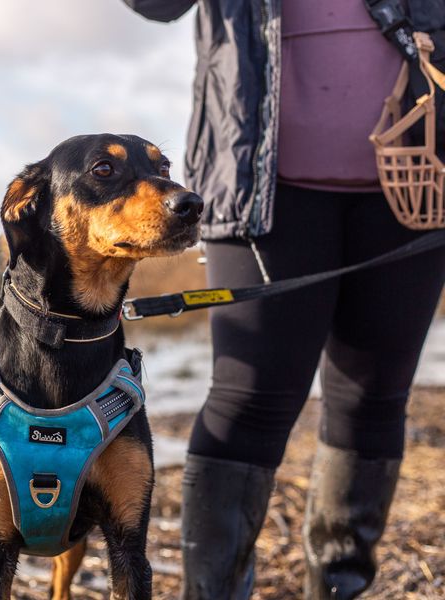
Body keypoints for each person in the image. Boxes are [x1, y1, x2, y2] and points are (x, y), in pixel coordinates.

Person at [123, 1, 445, 598]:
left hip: (421, 181)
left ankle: (340, 587)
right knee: (246, 402)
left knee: (374, 399)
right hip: (257, 187)